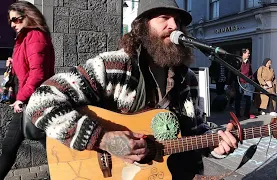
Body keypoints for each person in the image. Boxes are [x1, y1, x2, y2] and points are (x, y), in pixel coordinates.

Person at [26, 0, 238, 179]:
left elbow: (195, 131)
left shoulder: (187, 78)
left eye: (179, 21)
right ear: (142, 26)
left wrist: (214, 144)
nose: (174, 25)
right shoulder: (114, 66)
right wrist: (104, 139)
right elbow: (41, 101)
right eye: (164, 18)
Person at [0, 1, 55, 179]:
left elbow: (37, 73)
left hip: (32, 100)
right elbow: (27, 67)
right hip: (29, 100)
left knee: (10, 146)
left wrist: (21, 98)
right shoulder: (24, 37)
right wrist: (13, 63)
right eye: (10, 21)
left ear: (28, 16)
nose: (13, 24)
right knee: (51, 143)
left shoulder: (35, 36)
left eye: (16, 20)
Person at [231, 48, 256, 119]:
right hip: (239, 83)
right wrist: (232, 83)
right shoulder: (238, 61)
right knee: (238, 99)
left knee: (249, 99)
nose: (249, 54)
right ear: (243, 53)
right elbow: (234, 72)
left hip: (248, 83)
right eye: (248, 53)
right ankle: (238, 114)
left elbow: (250, 72)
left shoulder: (248, 62)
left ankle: (246, 114)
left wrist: (252, 79)